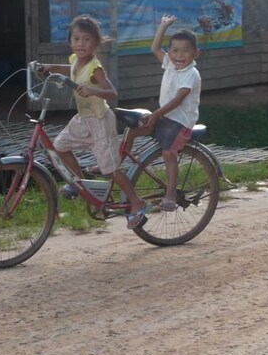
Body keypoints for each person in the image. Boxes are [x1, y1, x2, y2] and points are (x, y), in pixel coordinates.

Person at [41, 15, 151, 229]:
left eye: (87, 40)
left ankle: (136, 202)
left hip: (100, 121)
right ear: (71, 41)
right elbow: (70, 69)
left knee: (109, 168)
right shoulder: (75, 60)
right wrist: (49, 67)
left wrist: (93, 90)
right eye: (76, 39)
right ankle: (79, 183)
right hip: (83, 119)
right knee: (59, 147)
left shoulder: (95, 67)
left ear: (95, 43)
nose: (81, 44)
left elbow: (112, 92)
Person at [127, 14, 201, 212]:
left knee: (169, 154)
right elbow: (154, 48)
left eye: (185, 51)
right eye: (175, 51)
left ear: (196, 54)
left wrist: (156, 114)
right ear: (170, 53)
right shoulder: (169, 63)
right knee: (132, 130)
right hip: (165, 117)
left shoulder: (191, 74)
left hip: (181, 121)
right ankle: (118, 163)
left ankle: (170, 193)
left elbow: (178, 100)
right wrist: (163, 25)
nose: (179, 55)